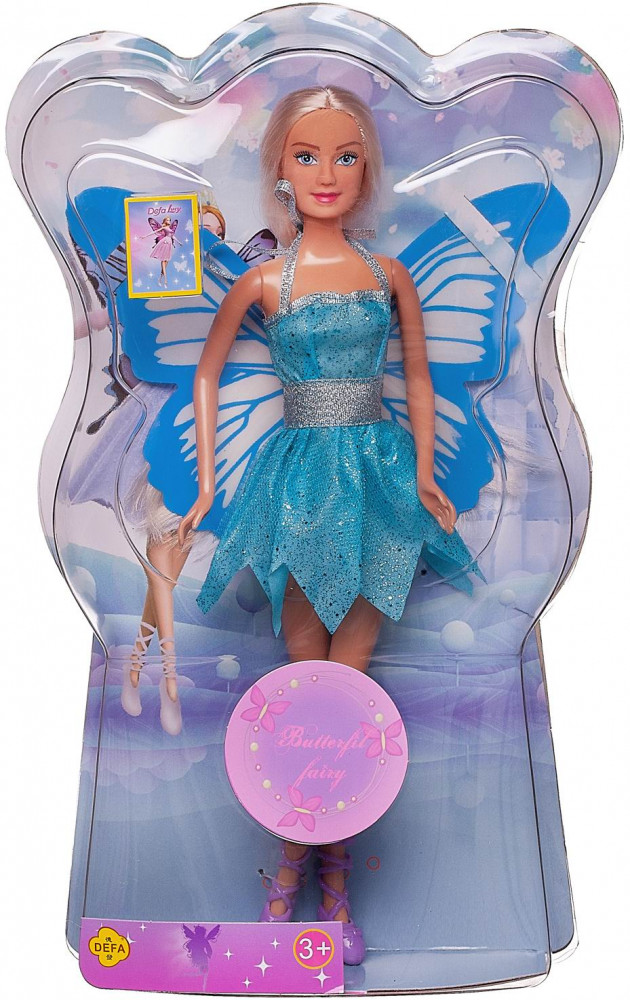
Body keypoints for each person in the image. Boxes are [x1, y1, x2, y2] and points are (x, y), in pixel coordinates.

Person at [178, 86, 479, 965]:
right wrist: (205, 485)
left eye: (346, 156)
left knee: (350, 693)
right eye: (307, 155)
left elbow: (417, 378)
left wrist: (424, 474)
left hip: (380, 482)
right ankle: (303, 887)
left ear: (367, 169)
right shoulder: (263, 281)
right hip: (302, 484)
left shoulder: (389, 276)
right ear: (280, 167)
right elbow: (206, 372)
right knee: (306, 688)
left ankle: (309, 891)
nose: (327, 173)